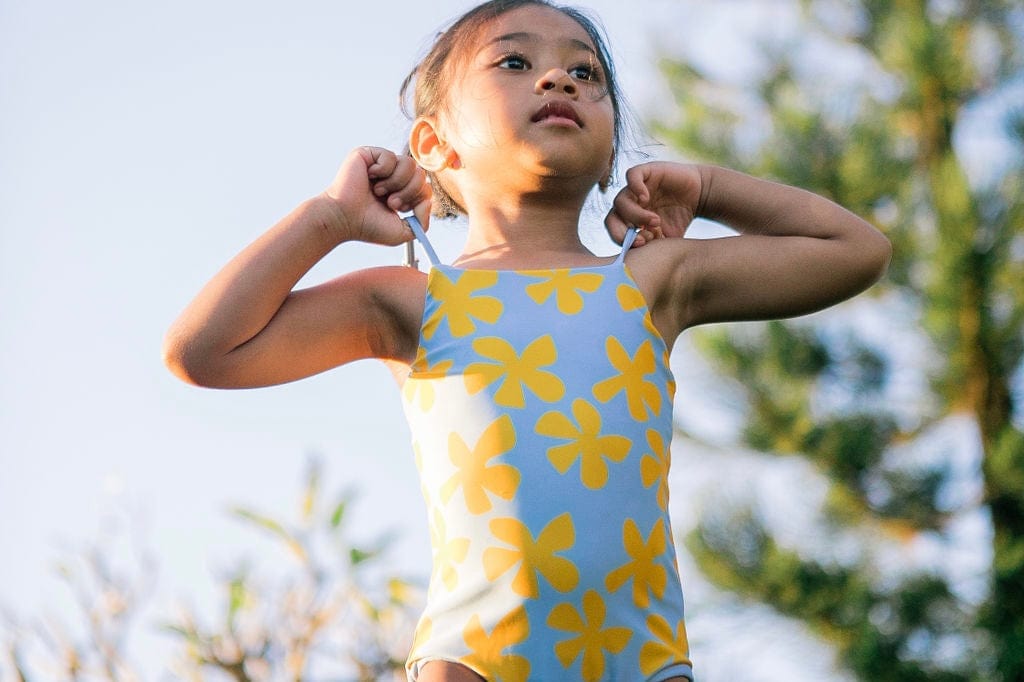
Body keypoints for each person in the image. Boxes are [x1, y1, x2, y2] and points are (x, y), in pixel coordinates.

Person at [163, 1, 892, 680]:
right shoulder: (413, 300)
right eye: (513, 63)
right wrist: (330, 217)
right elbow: (203, 352)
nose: (558, 78)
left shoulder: (652, 281)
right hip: (474, 660)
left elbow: (855, 250)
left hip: (647, 663)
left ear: (611, 155)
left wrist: (705, 188)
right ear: (433, 143)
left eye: (587, 74)